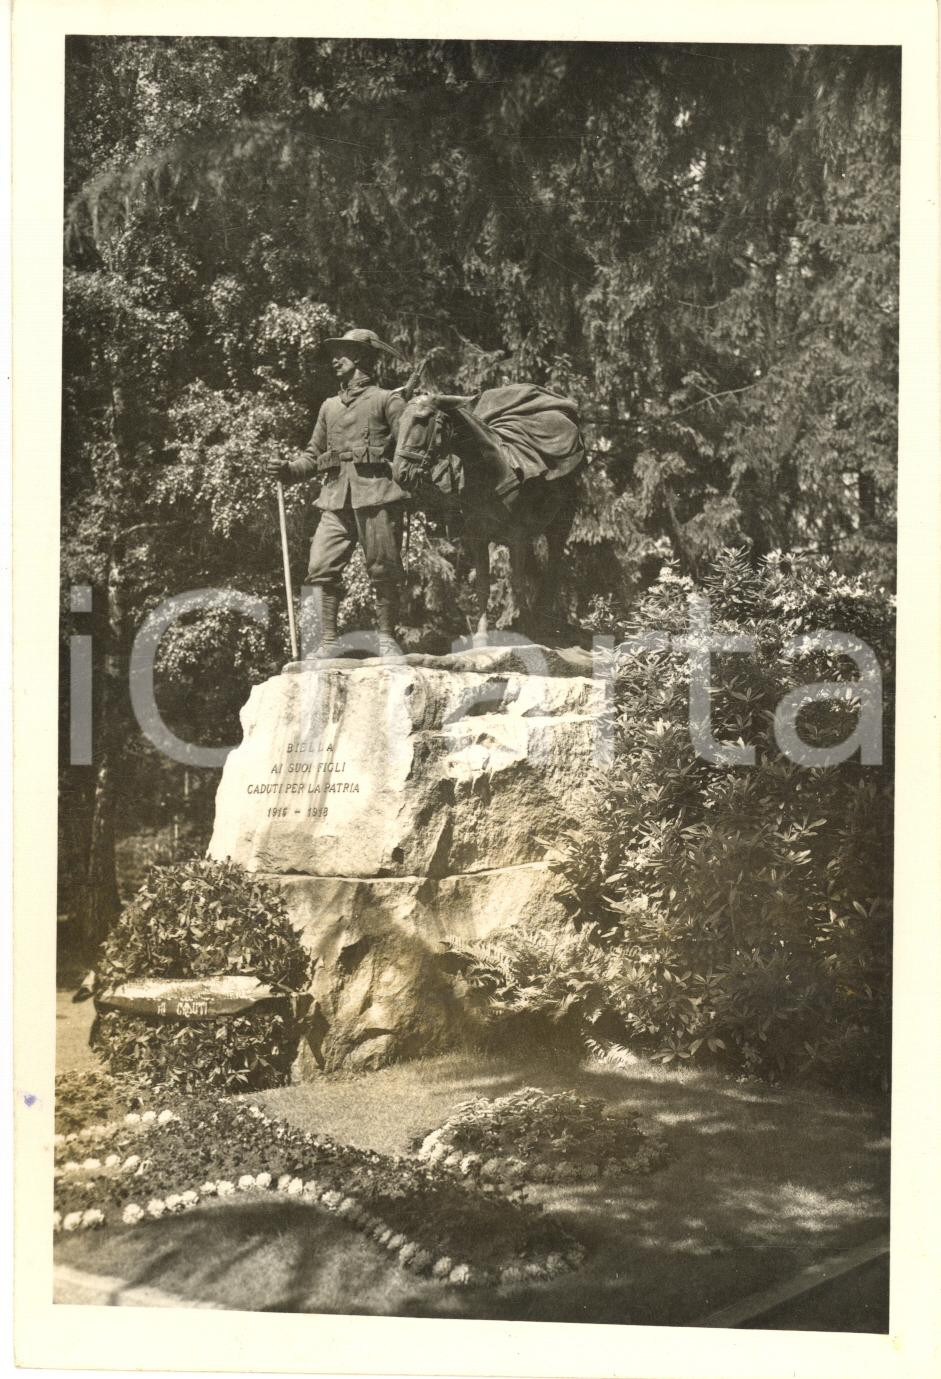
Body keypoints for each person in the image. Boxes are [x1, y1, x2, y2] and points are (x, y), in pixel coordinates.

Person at [268, 328, 409, 655]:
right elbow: (313, 455)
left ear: (360, 356)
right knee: (320, 566)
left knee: (383, 568)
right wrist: (288, 470)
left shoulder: (388, 400)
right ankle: (329, 642)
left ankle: (386, 638)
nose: (334, 360)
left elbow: (409, 447)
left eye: (342, 352)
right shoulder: (329, 407)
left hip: (378, 495)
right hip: (335, 498)